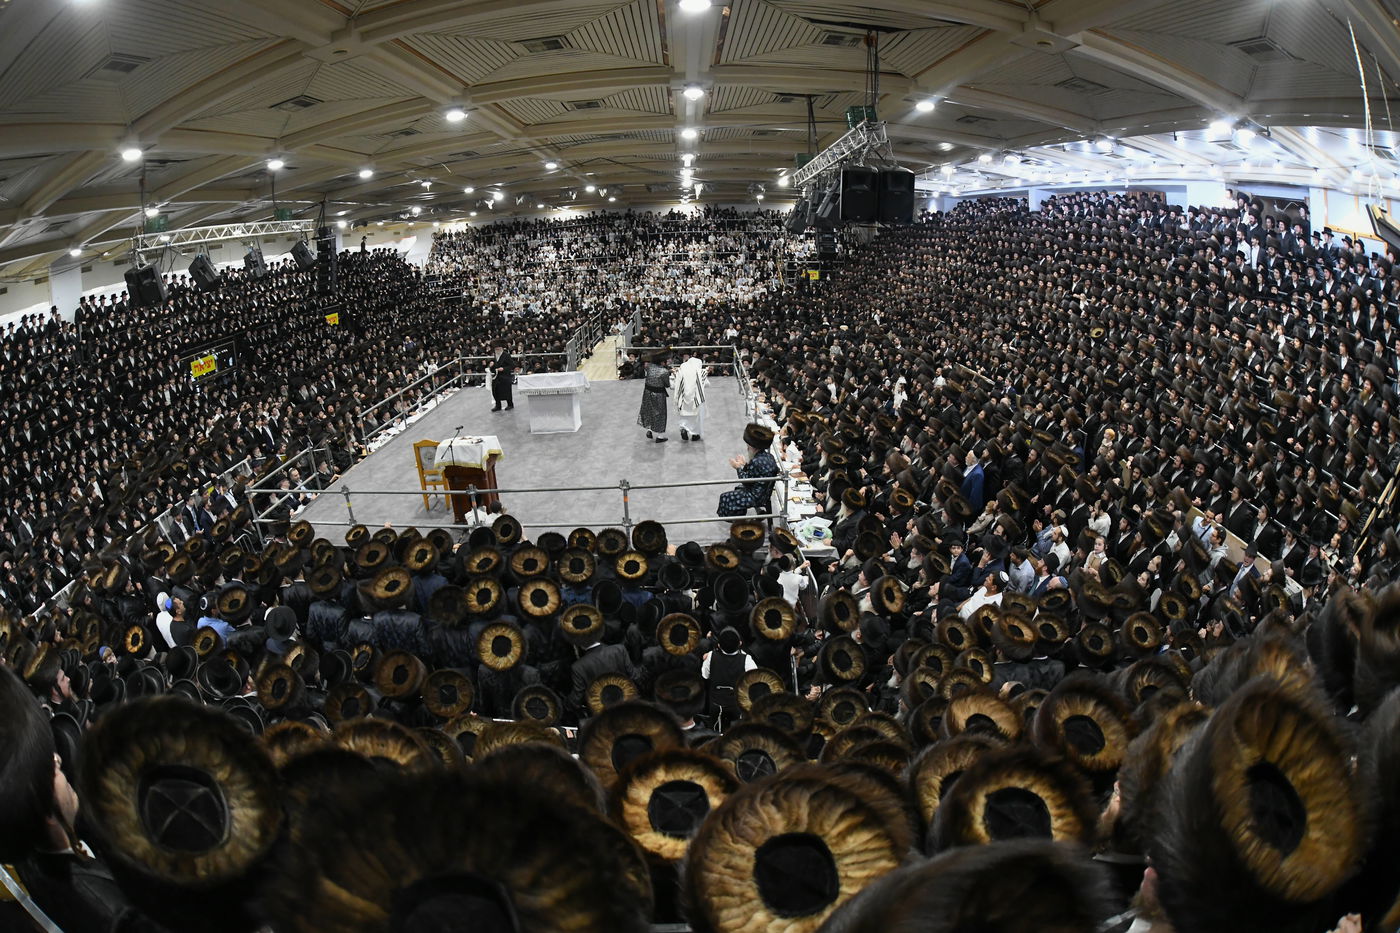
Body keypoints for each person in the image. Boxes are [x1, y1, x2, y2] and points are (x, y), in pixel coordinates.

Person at [717, 422, 779, 516]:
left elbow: (746, 480)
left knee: (724, 497)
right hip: (764, 492)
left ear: (753, 447)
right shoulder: (769, 456)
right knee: (738, 489)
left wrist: (738, 467)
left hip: (756, 495)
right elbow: (756, 473)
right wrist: (745, 464)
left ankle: (737, 519)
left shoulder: (756, 461)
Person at [672, 348, 708, 441]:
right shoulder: (700, 372)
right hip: (695, 398)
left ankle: (684, 428)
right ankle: (695, 434)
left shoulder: (682, 368)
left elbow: (676, 382)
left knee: (683, 415)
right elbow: (706, 383)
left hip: (683, 397)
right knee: (696, 417)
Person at [637, 351, 671, 442]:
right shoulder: (664, 372)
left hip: (647, 392)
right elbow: (667, 384)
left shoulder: (649, 367)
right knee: (660, 413)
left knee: (649, 410)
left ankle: (649, 430)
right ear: (662, 362)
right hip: (658, 394)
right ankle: (660, 436)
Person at [489, 343, 515, 412]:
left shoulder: (506, 355)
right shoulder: (495, 356)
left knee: (507, 391)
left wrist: (503, 368)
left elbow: (512, 366)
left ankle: (510, 404)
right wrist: (491, 366)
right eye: (495, 349)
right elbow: (493, 368)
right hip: (496, 376)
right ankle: (498, 405)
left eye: (498, 349)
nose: (497, 350)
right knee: (495, 390)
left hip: (505, 376)